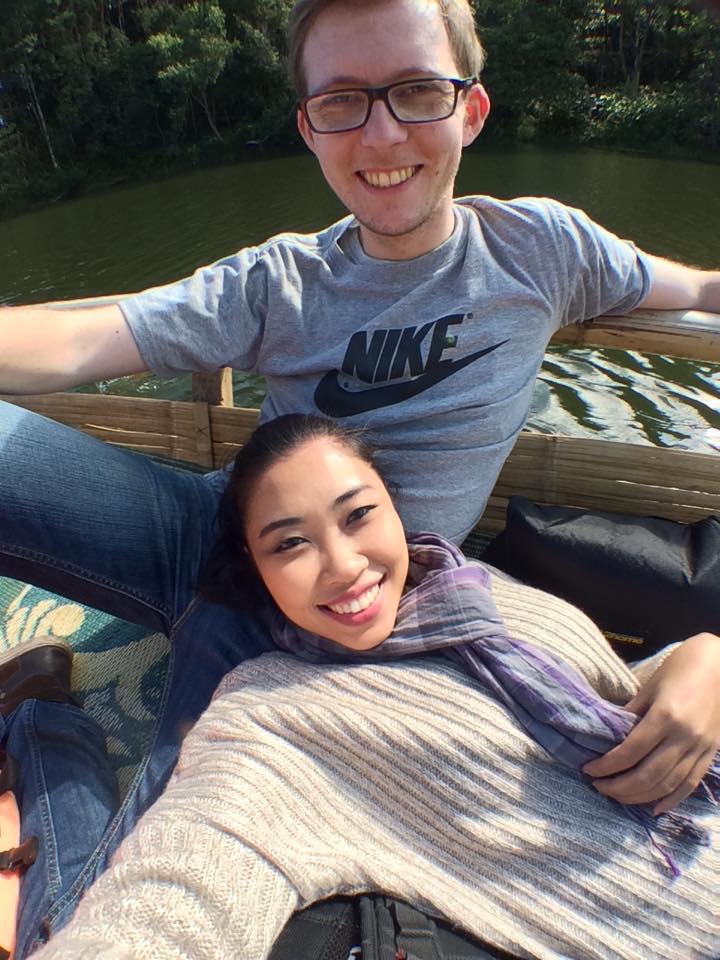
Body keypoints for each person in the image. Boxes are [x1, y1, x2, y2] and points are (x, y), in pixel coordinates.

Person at [1, 0, 719, 949]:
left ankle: (44, 737)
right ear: (309, 127)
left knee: (131, 878)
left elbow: (698, 288)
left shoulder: (541, 248)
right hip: (221, 527)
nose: (381, 134)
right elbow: (83, 338)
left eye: (416, 91)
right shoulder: (279, 279)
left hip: (345, 596)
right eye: (343, 100)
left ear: (471, 109)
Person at [19, 413, 719, 960]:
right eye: (290, 543)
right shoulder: (270, 719)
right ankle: (42, 728)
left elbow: (608, 692)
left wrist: (697, 657)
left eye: (358, 516)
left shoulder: (480, 587)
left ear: (395, 508)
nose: (344, 566)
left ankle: (37, 718)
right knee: (76, 911)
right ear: (256, 568)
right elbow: (177, 895)